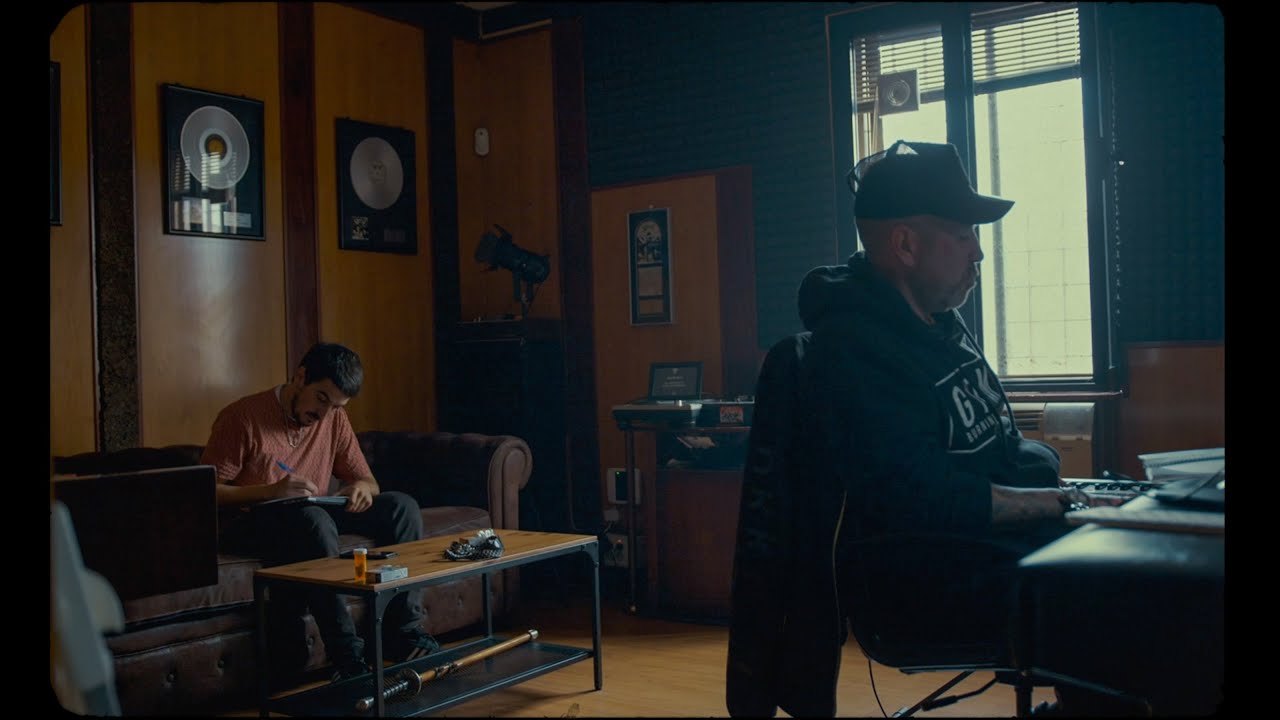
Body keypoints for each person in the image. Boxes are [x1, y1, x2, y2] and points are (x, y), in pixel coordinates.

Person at [727, 140, 1127, 717]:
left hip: (992, 551)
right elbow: (920, 496)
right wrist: (1056, 502)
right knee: (1132, 593)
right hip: (931, 579)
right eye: (962, 236)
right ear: (906, 245)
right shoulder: (855, 353)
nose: (978, 253)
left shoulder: (941, 325)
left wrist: (1072, 495)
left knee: (1139, 565)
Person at [202, 342, 438, 685]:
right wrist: (272, 490)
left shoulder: (334, 420)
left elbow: (368, 480)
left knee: (401, 507)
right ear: (300, 377)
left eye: (336, 406)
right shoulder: (243, 417)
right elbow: (206, 492)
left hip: (311, 511)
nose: (325, 414)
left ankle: (402, 632)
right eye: (321, 399)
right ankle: (347, 656)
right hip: (251, 519)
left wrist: (362, 488)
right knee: (314, 521)